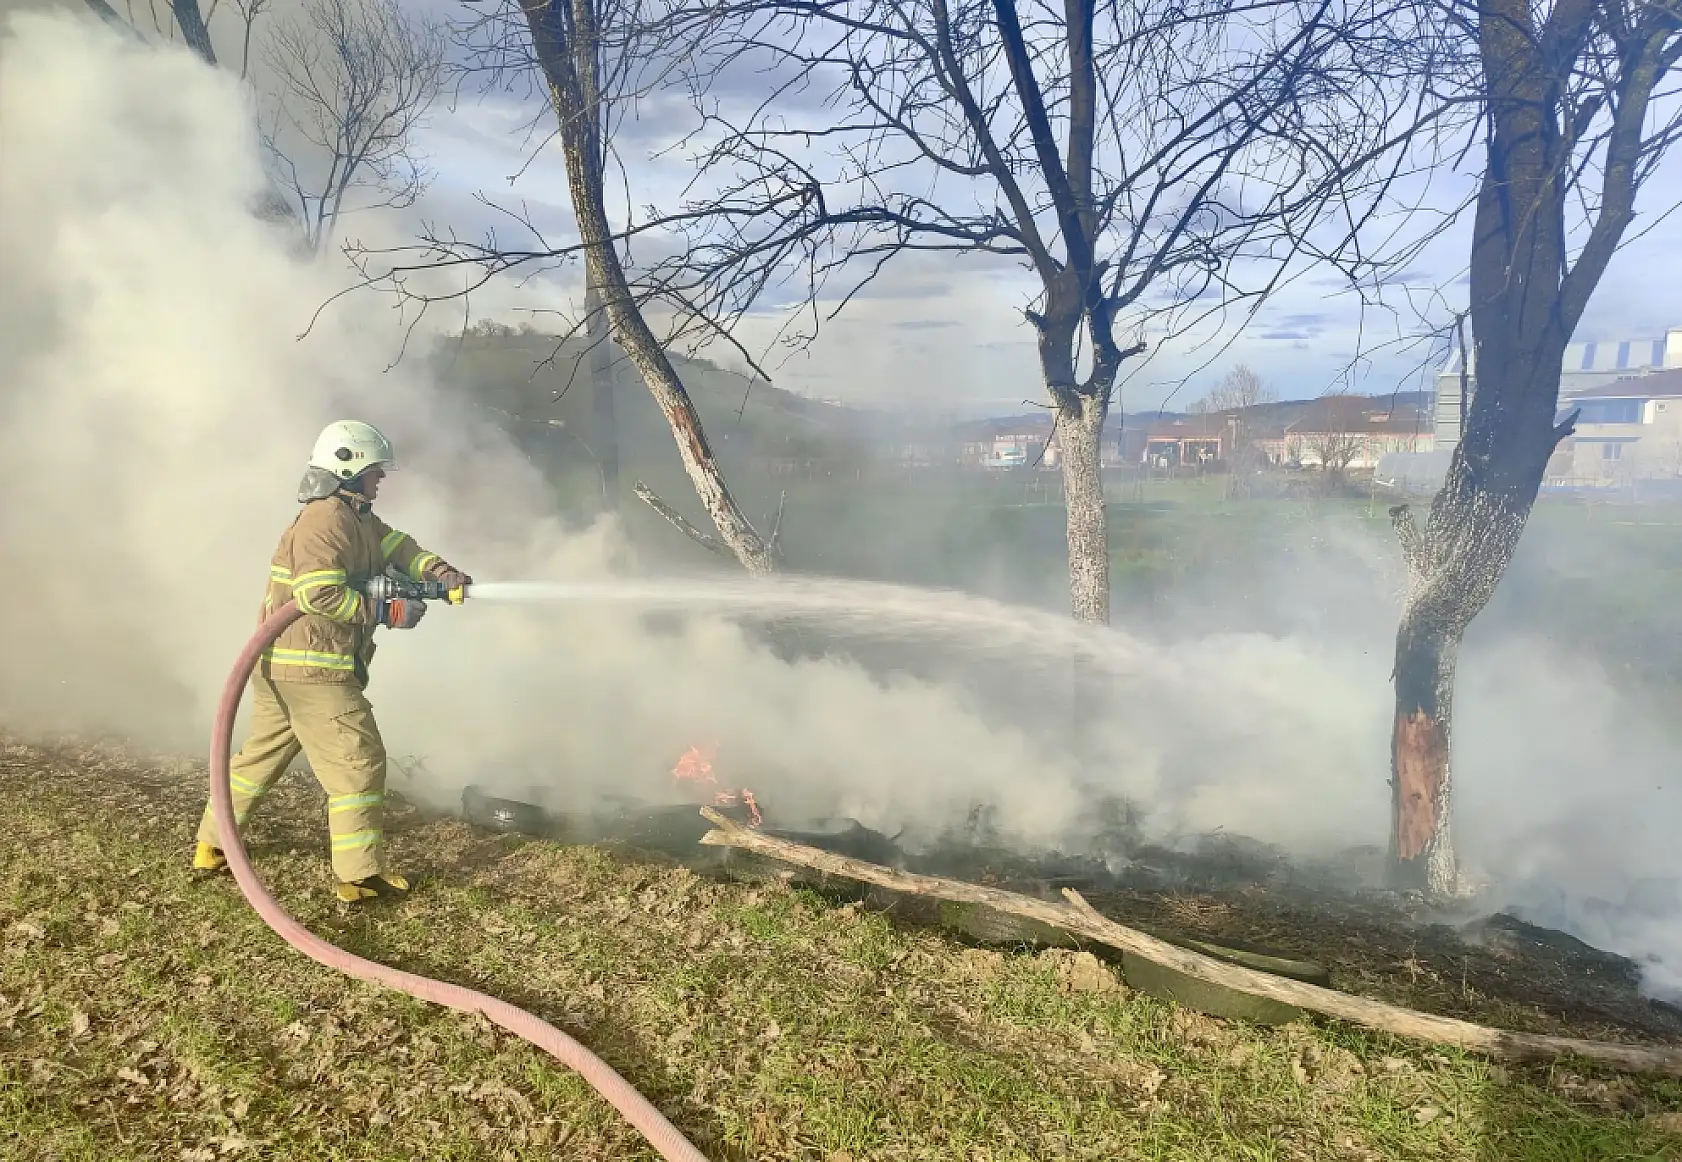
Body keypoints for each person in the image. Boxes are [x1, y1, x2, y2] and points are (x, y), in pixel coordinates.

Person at [193, 420, 471, 902]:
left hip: (284, 667)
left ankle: (212, 844)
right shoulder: (325, 520)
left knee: (258, 760)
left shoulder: (356, 518)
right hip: (314, 671)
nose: (380, 478)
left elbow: (398, 546)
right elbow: (317, 594)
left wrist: (439, 571)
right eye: (375, 470)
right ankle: (358, 876)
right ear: (349, 469)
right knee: (358, 763)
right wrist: (386, 612)